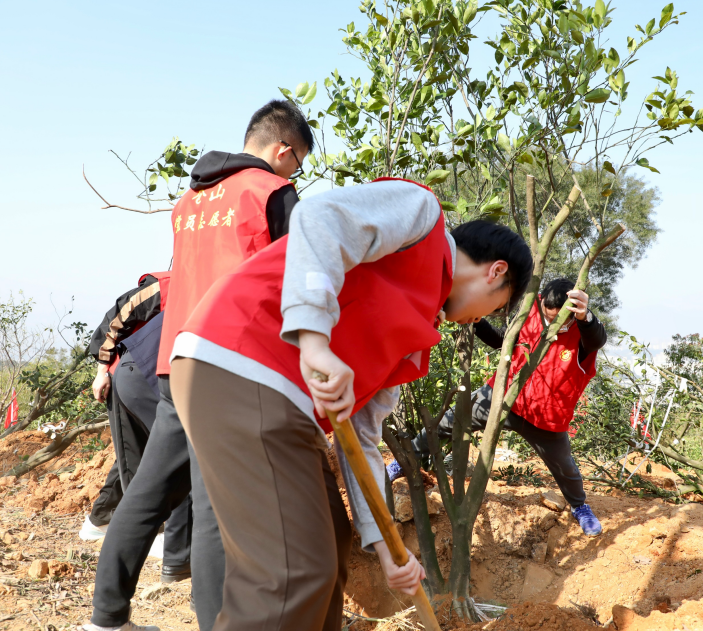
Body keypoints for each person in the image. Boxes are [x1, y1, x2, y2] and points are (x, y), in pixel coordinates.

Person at [169, 178, 533, 631]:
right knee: (292, 573)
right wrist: (315, 341)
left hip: (278, 397)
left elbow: (360, 439)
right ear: (496, 272)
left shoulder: (414, 339)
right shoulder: (422, 217)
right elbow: (319, 218)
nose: (482, 319)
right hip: (239, 360)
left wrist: (387, 549)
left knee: (330, 549)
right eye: (497, 308)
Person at [83, 99, 312, 631]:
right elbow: (294, 285)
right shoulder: (272, 194)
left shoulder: (190, 200)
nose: (294, 171)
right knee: (213, 506)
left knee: (147, 490)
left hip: (175, 360)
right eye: (297, 160)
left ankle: (106, 618)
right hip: (231, 362)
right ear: (284, 150)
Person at [389, 278, 607, 536]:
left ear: (571, 314)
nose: (549, 323)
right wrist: (476, 320)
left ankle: (579, 506)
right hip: (504, 396)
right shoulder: (532, 312)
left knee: (564, 466)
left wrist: (586, 317)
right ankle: (405, 458)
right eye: (547, 317)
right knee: (451, 421)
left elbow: (598, 338)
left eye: (557, 319)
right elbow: (502, 340)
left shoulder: (583, 334)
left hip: (545, 418)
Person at [80, 272, 191, 580]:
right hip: (128, 373)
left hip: (156, 380)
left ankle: (99, 520)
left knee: (142, 453)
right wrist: (102, 370)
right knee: (146, 457)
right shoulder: (169, 284)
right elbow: (116, 317)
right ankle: (157, 541)